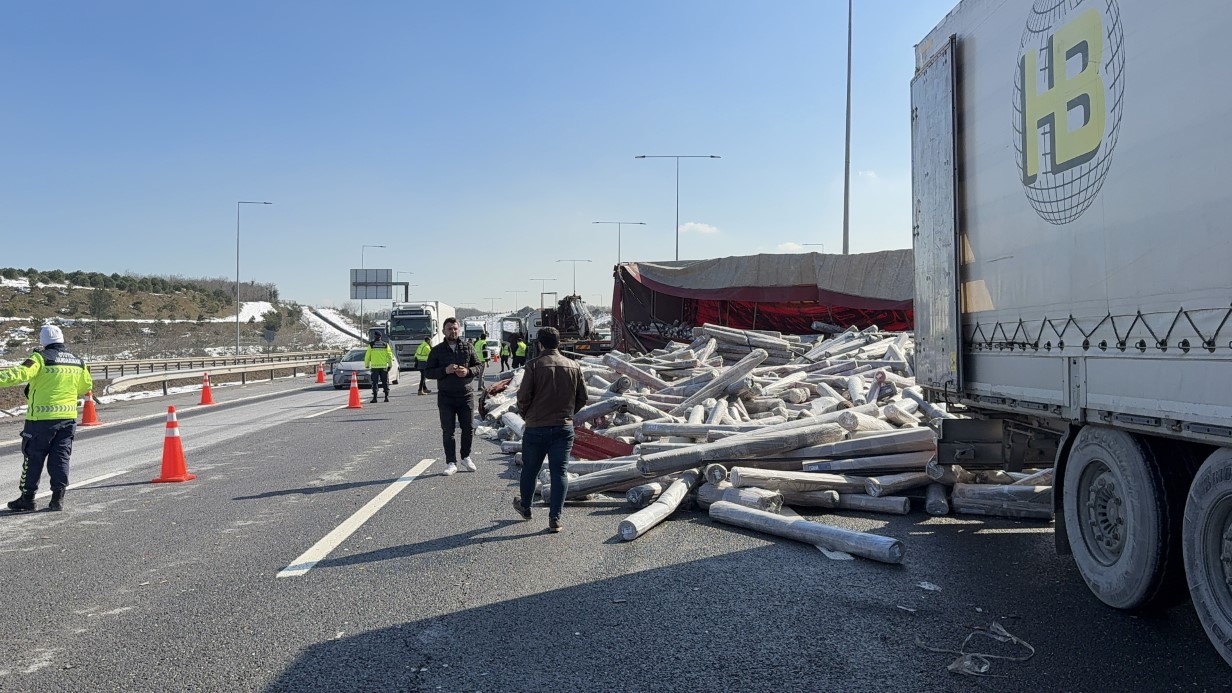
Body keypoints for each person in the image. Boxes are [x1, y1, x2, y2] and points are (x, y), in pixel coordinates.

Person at [1, 325, 93, 512]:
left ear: (43, 341)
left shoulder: (39, 358)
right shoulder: (78, 362)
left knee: (33, 457)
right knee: (61, 457)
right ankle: (57, 499)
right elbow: (86, 386)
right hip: (67, 418)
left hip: (40, 420)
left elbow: (18, 374)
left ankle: (27, 499)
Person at [511, 327, 587, 533]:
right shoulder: (573, 365)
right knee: (559, 472)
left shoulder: (533, 366)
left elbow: (523, 397)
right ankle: (555, 519)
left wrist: (527, 414)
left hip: (536, 427)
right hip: (563, 427)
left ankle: (526, 507)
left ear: (540, 344)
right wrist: (569, 413)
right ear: (559, 343)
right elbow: (583, 397)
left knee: (530, 469)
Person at [425, 317, 482, 476]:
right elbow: (428, 372)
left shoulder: (468, 347)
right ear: (444, 331)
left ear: (459, 330)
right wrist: (445, 370)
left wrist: (468, 371)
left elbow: (478, 365)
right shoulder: (436, 350)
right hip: (446, 396)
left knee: (468, 428)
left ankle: (466, 456)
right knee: (448, 430)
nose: (453, 331)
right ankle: (451, 462)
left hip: (466, 395)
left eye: (455, 328)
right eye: (449, 328)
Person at [364, 331, 394, 403]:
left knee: (375, 382)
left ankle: (375, 398)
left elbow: (367, 356)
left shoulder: (371, 345)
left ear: (374, 336)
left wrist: (367, 365)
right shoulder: (385, 345)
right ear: (380, 337)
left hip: (375, 367)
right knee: (385, 382)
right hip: (383, 367)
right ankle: (386, 397)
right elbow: (390, 356)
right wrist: (390, 365)